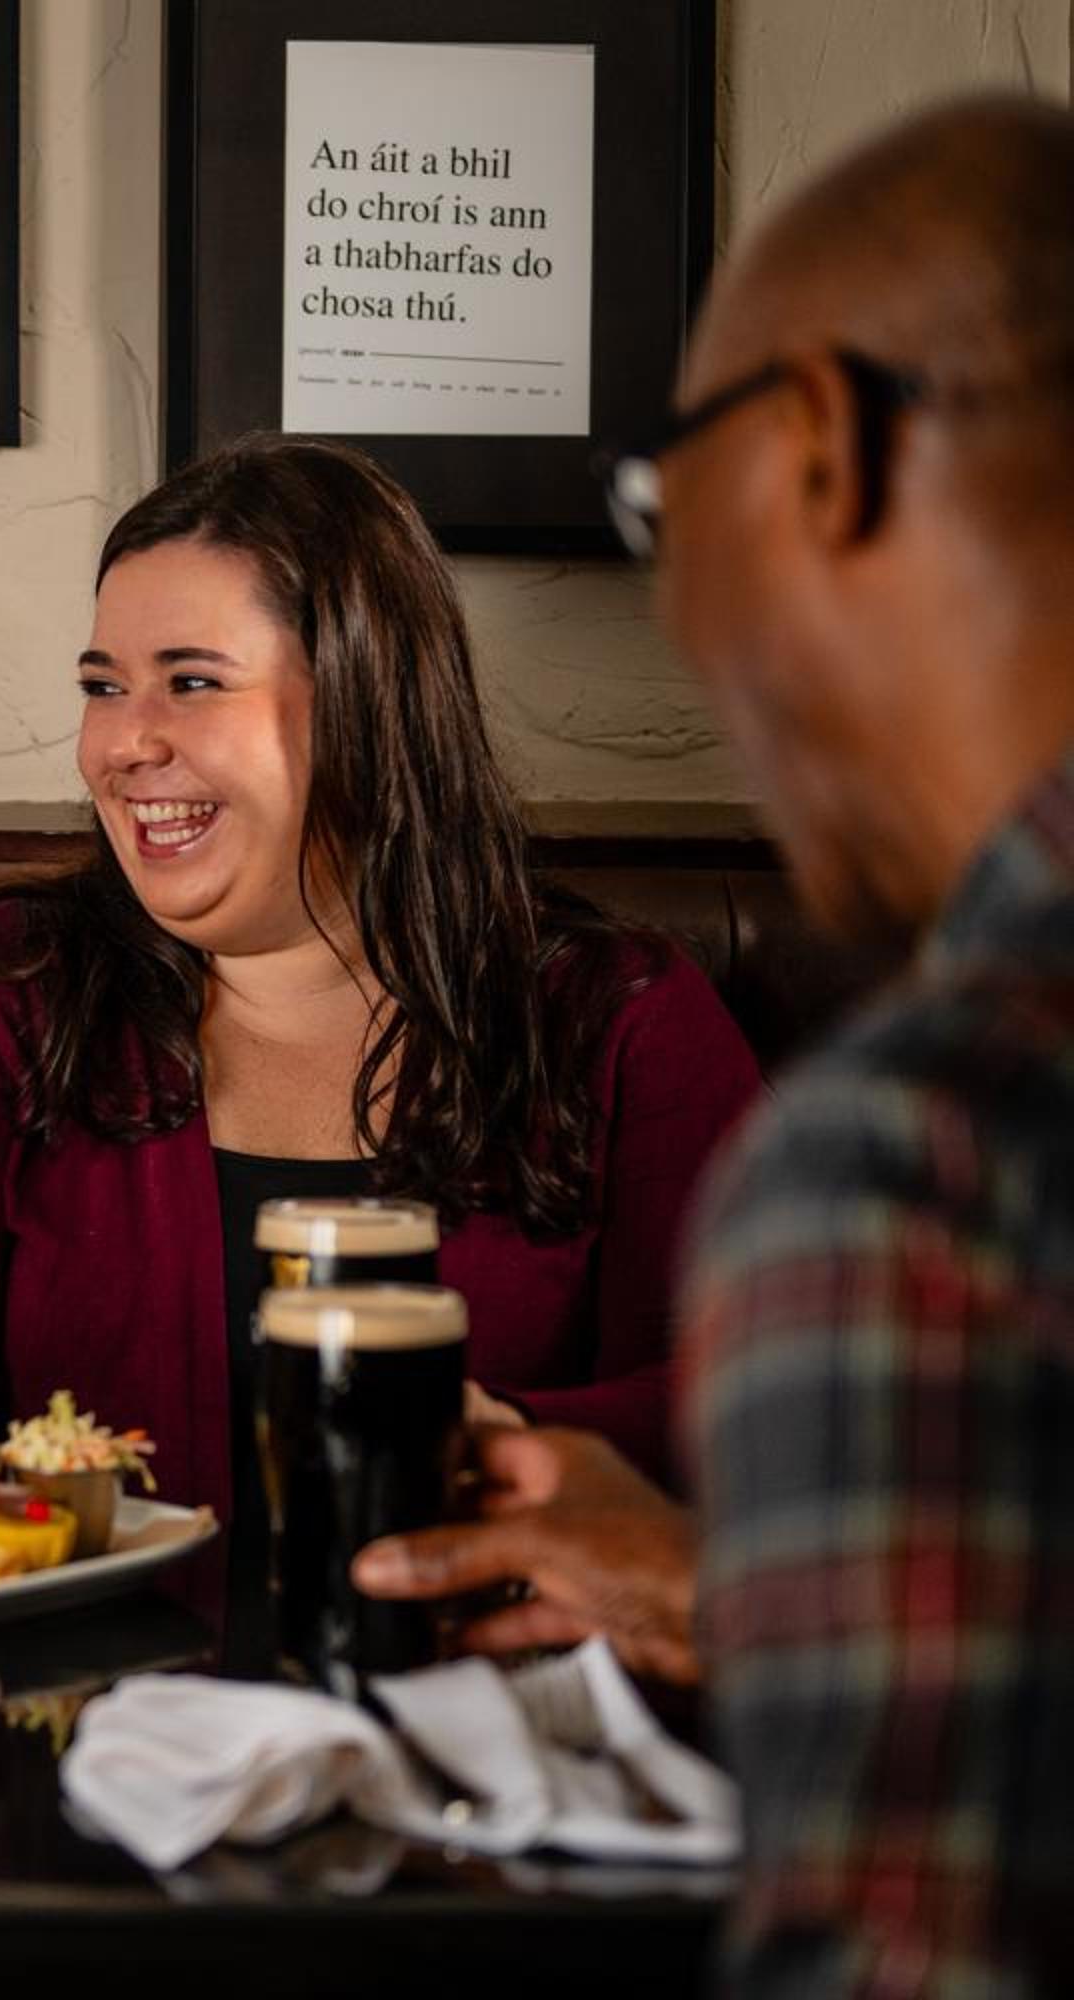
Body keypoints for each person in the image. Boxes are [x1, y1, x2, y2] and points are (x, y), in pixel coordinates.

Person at [352, 96, 1074, 1995]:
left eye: (663, 513)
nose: (675, 612)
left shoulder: (923, 1161)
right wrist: (753, 1598)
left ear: (825, 448)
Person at [0, 436, 763, 1571]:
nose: (123, 743)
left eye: (192, 681)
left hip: (486, 1675)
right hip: (74, 1672)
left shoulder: (620, 1016)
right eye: (102, 686)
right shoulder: (6, 985)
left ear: (364, 703)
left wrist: (497, 1443)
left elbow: (742, 1406)